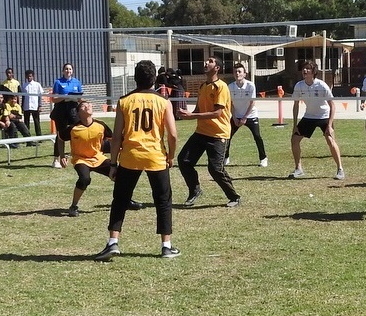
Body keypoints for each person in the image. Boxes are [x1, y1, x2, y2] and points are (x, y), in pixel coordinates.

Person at [95, 60, 179, 261]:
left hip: (130, 156)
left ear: (135, 78)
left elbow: (116, 137)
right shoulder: (163, 101)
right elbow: (173, 135)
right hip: (155, 156)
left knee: (120, 200)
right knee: (163, 200)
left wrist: (113, 163)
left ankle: (113, 242)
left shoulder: (124, 101)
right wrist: (171, 156)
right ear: (155, 79)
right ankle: (166, 246)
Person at [176, 57, 241, 207]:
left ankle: (234, 197)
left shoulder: (221, 87)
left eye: (210, 61)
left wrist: (193, 115)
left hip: (218, 134)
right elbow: (198, 111)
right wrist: (186, 114)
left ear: (217, 67)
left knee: (215, 169)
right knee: (184, 161)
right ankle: (195, 190)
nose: (205, 63)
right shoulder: (203, 86)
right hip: (201, 132)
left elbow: (217, 113)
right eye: (205, 61)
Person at [60, 99, 143, 217]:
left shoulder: (100, 125)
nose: (88, 106)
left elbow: (113, 139)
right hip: (81, 159)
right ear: (79, 112)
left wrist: (122, 149)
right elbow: (60, 138)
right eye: (84, 106)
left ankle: (126, 201)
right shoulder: (73, 128)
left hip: (98, 158)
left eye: (89, 104)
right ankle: (73, 206)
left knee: (121, 175)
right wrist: (62, 155)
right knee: (84, 179)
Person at [288, 60, 345, 180]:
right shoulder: (299, 86)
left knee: (330, 140)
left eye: (308, 68)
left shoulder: (322, 85)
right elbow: (296, 105)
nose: (305, 70)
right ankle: (298, 169)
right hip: (309, 116)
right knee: (294, 139)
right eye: (304, 68)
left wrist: (329, 125)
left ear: (313, 72)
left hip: (323, 116)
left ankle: (340, 169)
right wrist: (294, 125)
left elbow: (332, 105)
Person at [225, 62, 268, 167]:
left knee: (257, 136)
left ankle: (263, 158)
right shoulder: (230, 86)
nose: (237, 73)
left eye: (239, 71)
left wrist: (245, 117)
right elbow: (230, 103)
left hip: (250, 115)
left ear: (245, 74)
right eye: (235, 72)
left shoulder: (250, 85)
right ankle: (226, 158)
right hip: (236, 116)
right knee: (227, 136)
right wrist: (234, 117)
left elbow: (252, 102)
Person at [50, 63, 83, 169]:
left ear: (72, 71)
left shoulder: (76, 82)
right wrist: (64, 97)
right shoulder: (58, 82)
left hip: (73, 109)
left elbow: (80, 97)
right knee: (61, 134)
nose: (68, 71)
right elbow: (54, 99)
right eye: (66, 69)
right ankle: (57, 158)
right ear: (63, 71)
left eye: (70, 69)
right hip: (61, 110)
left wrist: (83, 100)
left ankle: (77, 155)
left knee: (77, 131)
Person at [22, 70, 44, 136]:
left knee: (36, 122)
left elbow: (40, 95)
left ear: (33, 76)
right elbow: (23, 96)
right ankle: (27, 136)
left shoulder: (37, 84)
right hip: (26, 106)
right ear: (26, 77)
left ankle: (39, 136)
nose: (29, 78)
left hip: (35, 106)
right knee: (26, 122)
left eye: (30, 76)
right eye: (28, 76)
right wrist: (22, 106)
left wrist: (40, 105)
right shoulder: (24, 85)